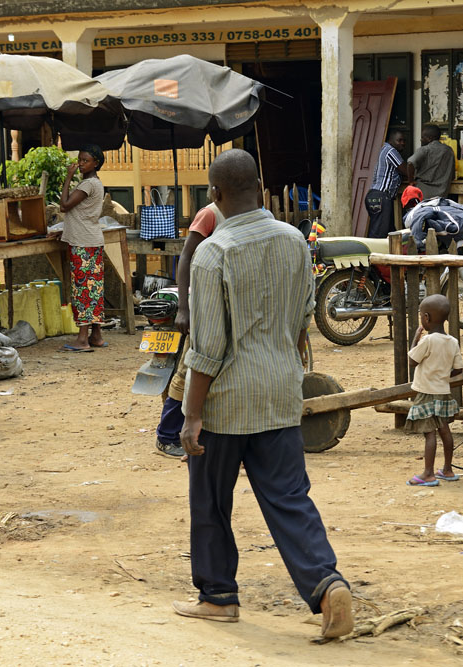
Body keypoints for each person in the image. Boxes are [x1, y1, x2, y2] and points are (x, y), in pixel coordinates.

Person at [175, 149, 353, 639]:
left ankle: (218, 597)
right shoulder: (295, 240)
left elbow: (207, 348)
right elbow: (302, 319)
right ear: (261, 186)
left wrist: (191, 416)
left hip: (226, 400)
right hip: (279, 387)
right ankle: (326, 584)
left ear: (215, 195)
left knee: (211, 500)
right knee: (290, 497)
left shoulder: (214, 252)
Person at [154, 201, 225, 458]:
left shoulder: (256, 215)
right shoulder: (210, 214)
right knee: (189, 371)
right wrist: (184, 308)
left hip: (230, 307)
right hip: (204, 304)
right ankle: (166, 435)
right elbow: (185, 257)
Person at [405, 295, 463, 486]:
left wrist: (414, 339)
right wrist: (443, 375)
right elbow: (458, 369)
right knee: (444, 430)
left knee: (429, 433)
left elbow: (412, 361)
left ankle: (428, 474)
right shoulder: (452, 341)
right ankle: (447, 470)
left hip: (426, 393)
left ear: (427, 318)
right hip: (443, 392)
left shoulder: (428, 341)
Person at [54, 145, 107, 352]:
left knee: (83, 289)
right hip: (91, 240)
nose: (80, 164)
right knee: (93, 289)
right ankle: (96, 335)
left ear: (96, 163)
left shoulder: (87, 185)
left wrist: (68, 177)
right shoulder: (95, 183)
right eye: (80, 160)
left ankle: (82, 339)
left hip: (84, 244)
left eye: (85, 161)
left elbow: (64, 205)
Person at [365, 129, 411, 239]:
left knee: (389, 231)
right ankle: (373, 255)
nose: (402, 143)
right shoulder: (391, 151)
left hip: (373, 196)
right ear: (391, 140)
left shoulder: (384, 150)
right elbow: (405, 170)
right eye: (399, 140)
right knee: (379, 233)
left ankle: (392, 254)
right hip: (381, 197)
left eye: (404, 140)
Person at [408, 124, 455, 199]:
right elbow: (452, 176)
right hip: (442, 195)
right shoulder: (449, 151)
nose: (421, 140)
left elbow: (410, 163)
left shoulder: (425, 150)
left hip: (423, 194)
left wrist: (411, 181)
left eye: (422, 137)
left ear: (429, 139)